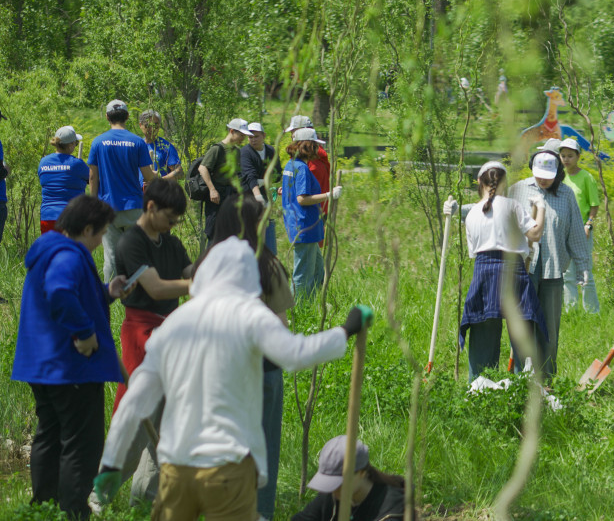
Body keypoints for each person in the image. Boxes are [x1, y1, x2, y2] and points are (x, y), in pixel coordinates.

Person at [92, 238, 373, 521]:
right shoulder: (250, 315)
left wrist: (111, 465)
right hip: (226, 467)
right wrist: (346, 329)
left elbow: (135, 400)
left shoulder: (174, 322)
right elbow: (295, 354)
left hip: (177, 469)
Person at [12, 195, 126, 520]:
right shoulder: (69, 256)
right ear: (87, 228)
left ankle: (44, 508)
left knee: (49, 436)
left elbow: (72, 293)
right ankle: (74, 512)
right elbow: (60, 291)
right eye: (101, 233)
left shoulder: (49, 249)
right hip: (70, 366)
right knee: (81, 445)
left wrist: (106, 292)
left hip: (41, 365)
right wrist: (84, 333)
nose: (102, 239)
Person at [207, 198, 294, 520]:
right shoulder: (266, 264)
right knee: (263, 448)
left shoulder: (208, 263)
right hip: (261, 370)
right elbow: (280, 326)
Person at [109, 179, 193, 506]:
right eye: (170, 218)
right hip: (142, 335)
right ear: (151, 207)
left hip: (171, 335)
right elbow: (156, 289)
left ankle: (144, 499)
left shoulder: (171, 243)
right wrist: (196, 284)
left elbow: (191, 269)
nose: (174, 225)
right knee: (137, 421)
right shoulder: (131, 243)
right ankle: (97, 495)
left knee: (168, 423)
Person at [443, 161, 546, 380]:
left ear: (479, 182)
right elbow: (535, 234)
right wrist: (542, 206)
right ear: (504, 183)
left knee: (483, 330)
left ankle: (479, 388)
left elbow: (474, 253)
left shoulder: (471, 216)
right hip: (512, 273)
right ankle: (525, 388)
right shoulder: (512, 206)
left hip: (483, 273)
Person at [506, 150, 589, 376]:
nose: (542, 179)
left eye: (548, 175)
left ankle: (547, 378)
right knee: (522, 324)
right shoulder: (518, 190)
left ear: (558, 173)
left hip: (553, 270)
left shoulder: (566, 195)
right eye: (538, 174)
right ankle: (521, 377)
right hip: (523, 270)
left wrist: (583, 267)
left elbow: (576, 235)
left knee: (549, 329)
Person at [88, 99, 156, 280]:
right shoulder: (137, 142)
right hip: (134, 206)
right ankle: (139, 291)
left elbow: (93, 177)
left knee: (111, 256)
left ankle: (111, 296)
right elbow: (148, 176)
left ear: (107, 117)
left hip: (108, 207)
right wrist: (157, 175)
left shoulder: (97, 142)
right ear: (126, 116)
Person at [282, 128, 342, 299]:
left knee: (317, 270)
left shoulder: (290, 165)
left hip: (305, 226)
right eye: (315, 145)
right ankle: (297, 313)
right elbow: (302, 199)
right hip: (304, 226)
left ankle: (314, 304)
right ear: (307, 146)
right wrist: (329, 195)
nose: (317, 149)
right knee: (302, 275)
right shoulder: (302, 168)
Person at [291, 437, 404, 521]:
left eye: (339, 483)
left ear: (362, 473)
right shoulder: (334, 494)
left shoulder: (393, 509)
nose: (334, 490)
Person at [559, 138, 601, 314]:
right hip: (563, 231)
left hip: (582, 231)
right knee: (567, 275)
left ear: (578, 156)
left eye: (570, 155)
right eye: (563, 156)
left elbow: (594, 205)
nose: (566, 159)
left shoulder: (586, 177)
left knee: (585, 274)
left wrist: (588, 224)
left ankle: (592, 312)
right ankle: (571, 312)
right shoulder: (559, 177)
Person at [198, 118, 251, 240]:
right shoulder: (217, 149)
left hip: (231, 196)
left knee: (230, 233)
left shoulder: (236, 151)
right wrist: (212, 189)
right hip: (217, 197)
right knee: (214, 233)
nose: (243, 138)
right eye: (241, 135)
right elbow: (203, 168)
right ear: (232, 131)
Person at [38, 126, 90, 234]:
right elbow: (93, 179)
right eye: (75, 143)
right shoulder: (76, 164)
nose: (75, 146)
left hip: (48, 216)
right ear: (70, 144)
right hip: (71, 217)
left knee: (52, 250)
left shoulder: (43, 162)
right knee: (71, 250)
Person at [240, 122, 279, 255]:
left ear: (263, 136)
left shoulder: (270, 151)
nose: (253, 139)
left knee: (265, 229)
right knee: (252, 232)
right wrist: (258, 197)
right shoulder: (245, 152)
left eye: (256, 136)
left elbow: (277, 173)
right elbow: (250, 177)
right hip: (249, 197)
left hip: (265, 196)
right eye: (250, 137)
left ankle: (264, 259)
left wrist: (266, 182)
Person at [284, 116, 331, 215]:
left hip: (312, 212)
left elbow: (306, 194)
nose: (292, 135)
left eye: (293, 131)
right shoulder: (304, 160)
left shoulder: (313, 161)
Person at [138, 110, 182, 181]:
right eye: (148, 125)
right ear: (140, 125)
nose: (152, 129)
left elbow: (179, 172)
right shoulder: (137, 145)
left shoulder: (165, 147)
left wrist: (159, 181)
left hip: (159, 190)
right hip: (138, 190)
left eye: (155, 125)